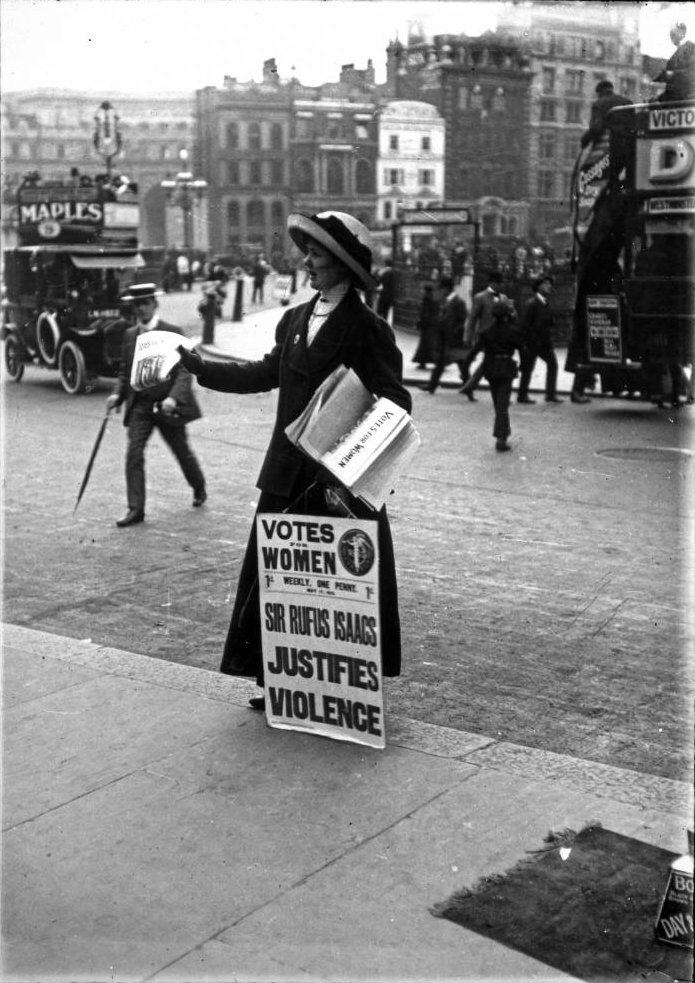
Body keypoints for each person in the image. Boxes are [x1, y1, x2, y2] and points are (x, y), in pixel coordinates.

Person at [176, 211, 411, 711]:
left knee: (338, 587)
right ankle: (279, 677)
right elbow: (265, 372)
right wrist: (200, 366)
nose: (307, 262)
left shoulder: (368, 329)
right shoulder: (297, 318)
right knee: (279, 579)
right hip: (286, 475)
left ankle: (341, 685)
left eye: (317, 255)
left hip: (336, 485)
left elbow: (395, 405)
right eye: (309, 252)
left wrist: (347, 457)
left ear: (342, 265)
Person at [106, 283, 207, 528]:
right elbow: (125, 372)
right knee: (134, 454)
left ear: (154, 304)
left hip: (167, 406)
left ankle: (199, 487)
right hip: (141, 405)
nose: (141, 309)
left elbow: (184, 371)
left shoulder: (171, 332)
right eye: (137, 304)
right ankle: (135, 509)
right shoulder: (130, 336)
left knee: (181, 451)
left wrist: (173, 398)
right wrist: (117, 395)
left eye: (146, 303)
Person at [477, 299, 524, 452]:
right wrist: (523, 364)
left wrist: (465, 366)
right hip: (506, 369)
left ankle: (503, 434)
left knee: (498, 403)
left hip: (491, 369)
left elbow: (475, 350)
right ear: (506, 315)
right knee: (502, 405)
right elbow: (523, 349)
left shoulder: (486, 332)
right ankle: (500, 438)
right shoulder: (512, 331)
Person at [461, 271, 510, 400]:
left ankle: (469, 387)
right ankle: (469, 386)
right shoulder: (480, 297)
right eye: (498, 283)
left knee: (486, 362)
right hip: (483, 336)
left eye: (501, 283)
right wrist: (468, 337)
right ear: (491, 283)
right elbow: (472, 318)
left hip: (498, 338)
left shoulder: (504, 298)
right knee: (468, 363)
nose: (501, 285)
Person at [517, 275, 563, 404]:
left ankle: (550, 394)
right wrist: (531, 341)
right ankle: (522, 395)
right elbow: (525, 325)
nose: (549, 286)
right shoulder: (532, 303)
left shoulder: (545, 302)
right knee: (528, 369)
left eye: (549, 284)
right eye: (546, 284)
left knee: (552, 365)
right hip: (533, 342)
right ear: (538, 287)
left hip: (544, 343)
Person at [422, 276, 470, 395]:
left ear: (448, 289)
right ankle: (432, 386)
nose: (441, 291)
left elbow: (462, 320)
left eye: (442, 289)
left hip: (453, 339)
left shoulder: (459, 302)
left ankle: (469, 386)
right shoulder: (446, 300)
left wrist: (455, 333)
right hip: (444, 338)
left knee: (461, 364)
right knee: (440, 363)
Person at [580, 80, 631, 150]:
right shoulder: (627, 102)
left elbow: (596, 127)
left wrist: (585, 140)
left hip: (609, 145)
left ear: (600, 92)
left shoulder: (599, 104)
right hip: (629, 144)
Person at [654, 22, 695, 103]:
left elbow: (692, 73)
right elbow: (671, 88)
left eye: (673, 33)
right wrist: (658, 99)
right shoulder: (673, 57)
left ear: (682, 33)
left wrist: (672, 74)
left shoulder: (690, 48)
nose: (670, 36)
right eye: (670, 34)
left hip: (687, 103)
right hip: (675, 104)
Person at [412, 283, 438, 369]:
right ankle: (433, 361)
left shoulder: (426, 299)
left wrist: (420, 323)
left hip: (427, 325)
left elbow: (425, 313)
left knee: (425, 344)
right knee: (430, 344)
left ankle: (423, 362)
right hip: (433, 324)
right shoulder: (434, 299)